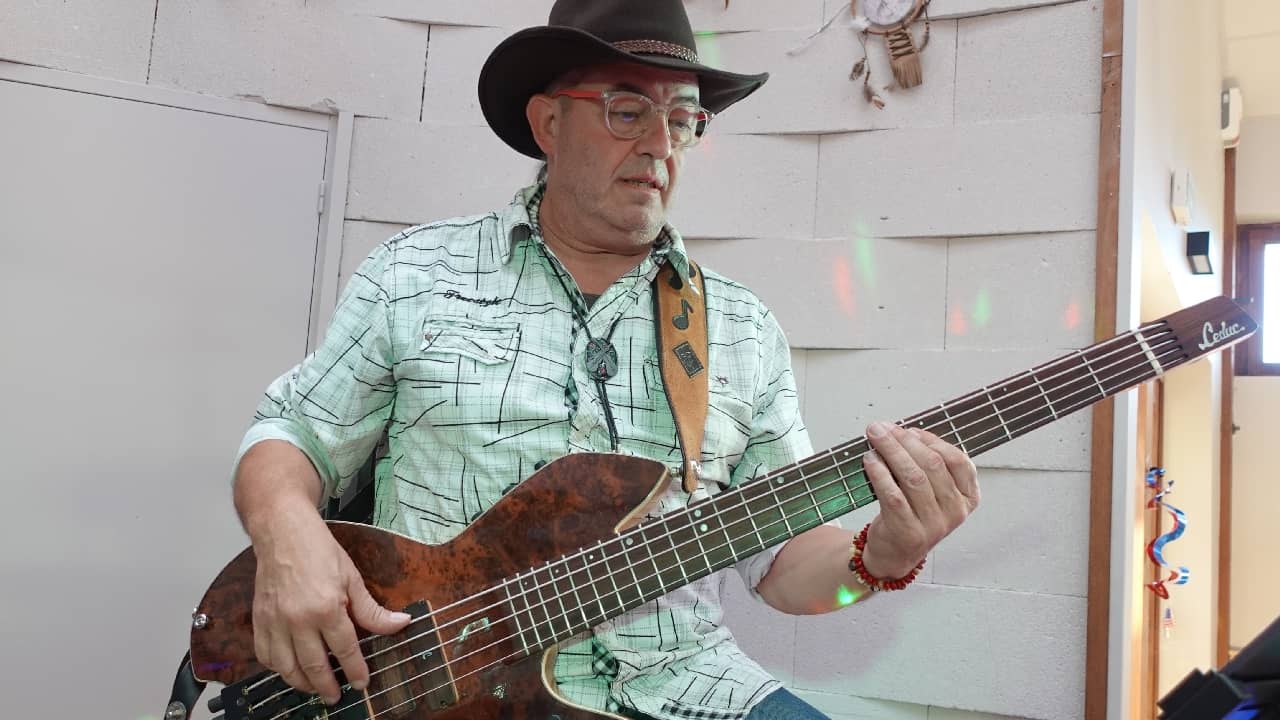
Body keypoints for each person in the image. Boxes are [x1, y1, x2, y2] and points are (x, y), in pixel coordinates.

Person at [230, 1, 981, 718]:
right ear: (548, 122)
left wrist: (878, 558)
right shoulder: (416, 273)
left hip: (687, 686)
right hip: (431, 688)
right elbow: (291, 436)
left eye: (683, 119)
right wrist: (287, 533)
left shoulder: (742, 327)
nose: (660, 144)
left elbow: (781, 569)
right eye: (629, 110)